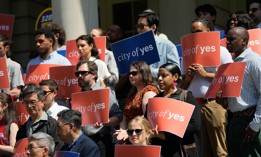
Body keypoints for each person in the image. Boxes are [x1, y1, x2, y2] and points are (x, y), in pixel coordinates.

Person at [180, 18, 233, 157]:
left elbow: (231, 78)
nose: (194, 35)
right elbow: (180, 85)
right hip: (194, 107)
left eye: (198, 31)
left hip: (213, 104)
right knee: (202, 151)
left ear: (209, 31)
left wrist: (205, 74)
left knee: (219, 151)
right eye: (192, 32)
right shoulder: (187, 54)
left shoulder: (222, 51)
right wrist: (188, 78)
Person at [219, 27, 261, 157]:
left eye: (231, 39)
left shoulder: (254, 60)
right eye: (227, 39)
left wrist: (255, 125)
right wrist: (223, 100)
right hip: (235, 121)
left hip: (250, 120)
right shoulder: (231, 63)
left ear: (244, 41)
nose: (227, 42)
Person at [151, 63, 201, 157]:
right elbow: (148, 122)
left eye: (164, 75)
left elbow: (195, 125)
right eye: (158, 76)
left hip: (181, 149)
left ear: (175, 76)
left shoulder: (186, 97)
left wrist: (167, 135)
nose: (160, 79)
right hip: (161, 150)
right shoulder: (155, 100)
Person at [75, 60, 122, 157]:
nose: (80, 76)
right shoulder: (77, 96)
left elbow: (118, 116)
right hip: (81, 141)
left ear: (94, 75)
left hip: (100, 141)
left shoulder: (104, 93)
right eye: (77, 73)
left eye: (83, 73)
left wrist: (105, 122)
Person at [115, 61, 159, 142]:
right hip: (131, 138)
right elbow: (125, 119)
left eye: (134, 73)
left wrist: (129, 131)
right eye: (129, 74)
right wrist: (122, 131)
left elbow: (147, 118)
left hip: (143, 139)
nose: (130, 76)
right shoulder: (131, 94)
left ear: (143, 74)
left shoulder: (149, 91)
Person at [136, 9, 180, 78]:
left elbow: (175, 69)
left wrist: (149, 72)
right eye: (137, 27)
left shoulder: (167, 45)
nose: (139, 30)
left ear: (153, 27)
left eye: (141, 26)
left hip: (161, 87)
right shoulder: (135, 48)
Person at [16, 84, 60, 150]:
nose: (29, 106)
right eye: (26, 102)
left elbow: (57, 150)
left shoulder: (52, 125)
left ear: (42, 102)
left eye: (33, 102)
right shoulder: (22, 129)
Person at [0, 34, 24, 98]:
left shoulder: (14, 66)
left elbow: (16, 91)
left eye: (0, 48)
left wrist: (2, 96)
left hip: (7, 105)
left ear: (6, 48)